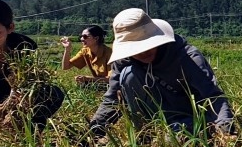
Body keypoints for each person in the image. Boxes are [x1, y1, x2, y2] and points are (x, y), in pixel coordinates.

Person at [88, 9, 234, 138]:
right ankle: (146, 133)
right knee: (128, 74)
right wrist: (92, 133)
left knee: (174, 138)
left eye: (148, 44)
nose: (144, 52)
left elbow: (213, 96)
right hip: (153, 114)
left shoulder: (186, 57)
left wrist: (225, 130)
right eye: (136, 49)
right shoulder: (124, 61)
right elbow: (112, 98)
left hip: (189, 116)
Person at [0, 0, 64, 127]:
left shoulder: (24, 46)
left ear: (10, 28)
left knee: (53, 93)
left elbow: (33, 82)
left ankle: (26, 130)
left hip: (12, 100)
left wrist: (20, 92)